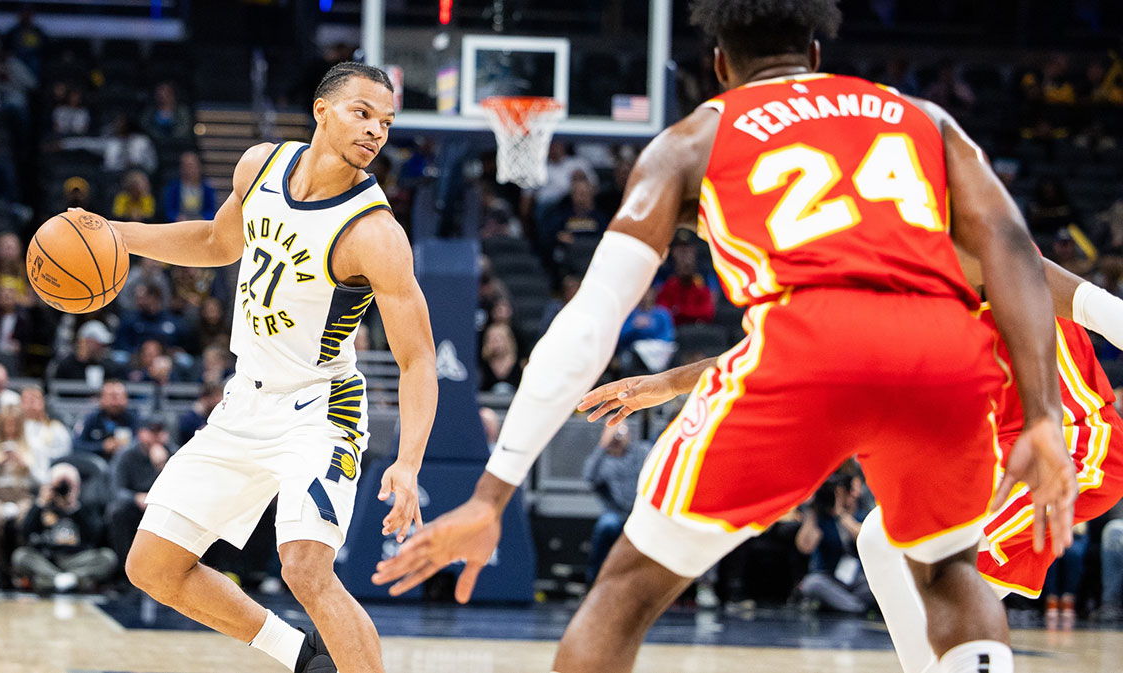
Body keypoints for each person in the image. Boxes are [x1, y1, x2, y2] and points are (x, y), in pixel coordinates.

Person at [371, 4, 1077, 673]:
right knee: (949, 569)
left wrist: (494, 493)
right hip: (943, 352)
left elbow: (591, 320)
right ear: (817, 52)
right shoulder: (922, 118)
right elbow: (1013, 248)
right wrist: (1043, 412)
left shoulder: (695, 137)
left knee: (625, 590)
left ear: (719, 65)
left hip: (809, 346)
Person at [107, 62, 436, 673]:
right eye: (361, 113)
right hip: (245, 402)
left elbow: (418, 359)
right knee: (151, 566)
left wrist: (410, 461)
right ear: (321, 110)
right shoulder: (259, 166)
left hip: (321, 406)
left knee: (306, 567)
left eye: (386, 122)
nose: (375, 131)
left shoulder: (375, 233)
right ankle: (299, 657)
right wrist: (116, 236)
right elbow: (215, 243)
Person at [855, 260, 1123, 673]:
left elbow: (1076, 296)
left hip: (1073, 441)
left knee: (890, 539)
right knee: (909, 568)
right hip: (1001, 453)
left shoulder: (965, 236)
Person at [13, 463, 116, 593]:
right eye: (58, 485)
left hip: (78, 558)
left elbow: (95, 535)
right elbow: (25, 531)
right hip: (48, 558)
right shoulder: (43, 505)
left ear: (77, 487)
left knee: (108, 557)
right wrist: (40, 504)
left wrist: (74, 507)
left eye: (68, 485)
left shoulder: (86, 505)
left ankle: (49, 581)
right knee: (20, 556)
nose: (63, 489)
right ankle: (72, 581)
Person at [0, 405, 46, 586]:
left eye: (14, 425)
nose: (10, 429)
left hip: (24, 495)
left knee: (27, 517)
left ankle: (21, 569)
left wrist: (26, 466)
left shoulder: (34, 445)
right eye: (6, 425)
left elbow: (44, 480)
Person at [794, 474, 873, 614]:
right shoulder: (820, 518)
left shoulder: (859, 516)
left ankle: (841, 604)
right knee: (812, 583)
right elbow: (805, 547)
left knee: (876, 582)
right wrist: (812, 511)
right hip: (829, 577)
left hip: (857, 578)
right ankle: (855, 607)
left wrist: (840, 514)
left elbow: (864, 539)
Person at [582, 422, 646, 585]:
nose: (618, 435)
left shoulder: (638, 454)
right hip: (614, 513)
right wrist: (604, 445)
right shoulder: (602, 459)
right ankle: (594, 580)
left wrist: (626, 441)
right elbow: (588, 478)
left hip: (638, 512)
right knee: (606, 526)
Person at [106, 418, 171, 570]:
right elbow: (116, 490)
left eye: (160, 432)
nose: (156, 437)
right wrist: (135, 498)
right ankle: (125, 571)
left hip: (164, 506)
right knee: (118, 512)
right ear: (141, 433)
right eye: (151, 432)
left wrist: (162, 466)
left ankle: (170, 571)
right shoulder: (126, 455)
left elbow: (182, 490)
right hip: (134, 506)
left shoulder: (175, 454)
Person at [72, 380, 138, 460]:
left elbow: (141, 444)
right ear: (101, 399)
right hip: (94, 464)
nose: (115, 402)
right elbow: (77, 445)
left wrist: (126, 448)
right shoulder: (91, 419)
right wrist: (102, 447)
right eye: (111, 396)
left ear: (126, 399)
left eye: (118, 396)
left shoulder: (134, 419)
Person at [53, 320, 122, 384]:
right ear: (86, 342)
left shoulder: (108, 366)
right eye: (99, 344)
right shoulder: (66, 366)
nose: (102, 348)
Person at [20, 385, 72, 464]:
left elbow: (65, 453)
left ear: (43, 402)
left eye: (34, 399)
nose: (30, 404)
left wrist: (41, 454)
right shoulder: (12, 428)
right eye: (26, 400)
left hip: (50, 467)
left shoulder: (55, 428)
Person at [163, 152, 218, 222]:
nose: (189, 170)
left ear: (199, 167)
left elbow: (211, 210)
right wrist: (176, 217)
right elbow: (169, 211)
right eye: (186, 166)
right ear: (181, 168)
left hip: (200, 225)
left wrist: (203, 218)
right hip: (179, 226)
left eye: (192, 166)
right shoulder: (173, 188)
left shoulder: (207, 189)